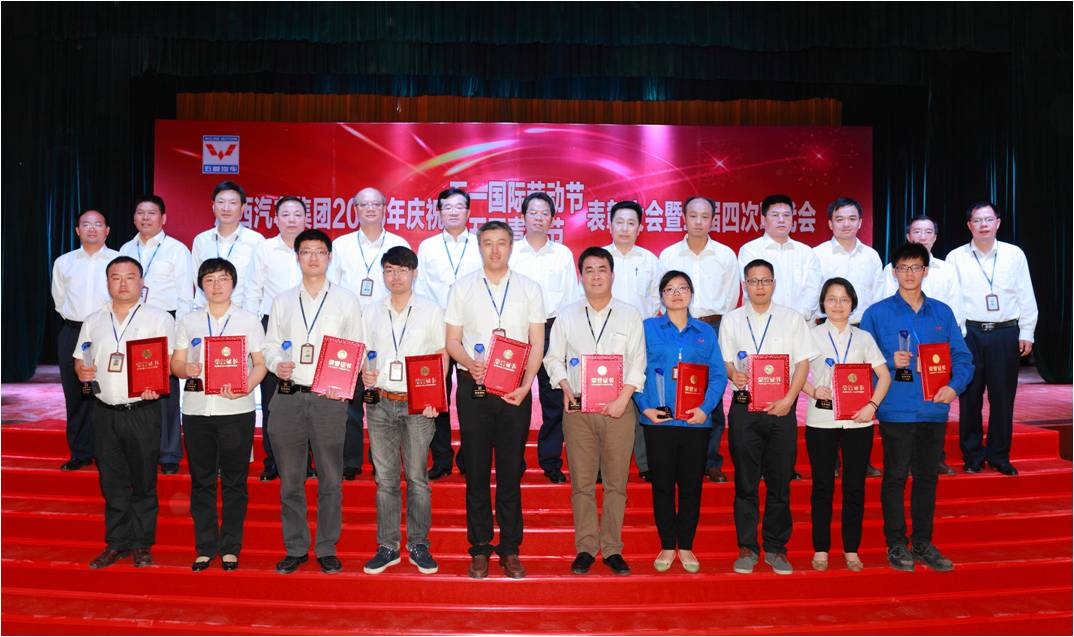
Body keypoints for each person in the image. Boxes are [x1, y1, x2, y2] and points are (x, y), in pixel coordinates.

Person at [861, 242, 973, 572]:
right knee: (895, 476)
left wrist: (954, 387)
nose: (909, 274)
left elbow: (962, 357)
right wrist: (888, 362)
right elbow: (860, 362)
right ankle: (896, 544)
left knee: (927, 478)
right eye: (903, 268)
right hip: (895, 408)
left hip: (933, 409)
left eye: (915, 267)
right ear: (893, 272)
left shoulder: (942, 312)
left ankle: (923, 542)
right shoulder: (876, 314)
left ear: (926, 271)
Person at [446, 220, 546, 579]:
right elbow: (452, 339)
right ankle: (479, 548)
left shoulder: (530, 288)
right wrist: (467, 361)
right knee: (475, 470)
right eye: (487, 243)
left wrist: (527, 385)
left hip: (514, 392)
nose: (494, 250)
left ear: (511, 246)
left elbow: (537, 342)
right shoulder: (462, 287)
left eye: (501, 242)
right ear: (479, 247)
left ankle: (510, 549)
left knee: (509, 471)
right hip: (473, 388)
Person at [262, 229, 365, 575]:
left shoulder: (346, 300)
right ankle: (295, 548)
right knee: (290, 480)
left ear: (329, 257)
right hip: (288, 395)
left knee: (330, 478)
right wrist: (277, 363)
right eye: (306, 252)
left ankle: (326, 547)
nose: (313, 258)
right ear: (298, 258)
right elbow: (270, 344)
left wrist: (344, 383)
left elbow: (356, 347)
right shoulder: (282, 301)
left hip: (328, 399)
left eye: (320, 252)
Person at [544, 246, 646, 576]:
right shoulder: (567, 315)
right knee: (582, 483)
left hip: (619, 409)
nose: (596, 276)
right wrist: (565, 386)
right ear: (581, 276)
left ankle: (612, 548)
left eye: (602, 269)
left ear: (612, 274)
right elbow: (552, 358)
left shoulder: (630, 314)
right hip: (578, 409)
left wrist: (623, 399)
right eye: (589, 270)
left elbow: (638, 362)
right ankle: (586, 547)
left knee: (616, 484)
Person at [74, 256, 176, 568]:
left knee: (144, 481)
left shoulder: (159, 318)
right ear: (107, 282)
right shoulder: (93, 320)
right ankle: (117, 543)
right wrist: (81, 371)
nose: (122, 283)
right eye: (115, 277)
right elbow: (80, 358)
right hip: (104, 412)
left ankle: (142, 544)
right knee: (112, 481)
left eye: (130, 277)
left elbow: (168, 362)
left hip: (142, 411)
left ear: (141, 282)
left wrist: (156, 383)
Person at [721, 259, 816, 575]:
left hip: (781, 409)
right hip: (744, 408)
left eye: (765, 280)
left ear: (774, 283)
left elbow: (802, 363)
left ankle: (776, 548)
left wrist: (789, 400)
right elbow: (726, 361)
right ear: (744, 285)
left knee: (780, 482)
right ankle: (747, 547)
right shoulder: (732, 320)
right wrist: (733, 373)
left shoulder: (792, 318)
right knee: (745, 482)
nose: (759, 286)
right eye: (753, 281)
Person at [171, 258, 267, 571]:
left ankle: (230, 548)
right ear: (201, 285)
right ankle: (205, 547)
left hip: (236, 410)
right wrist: (186, 368)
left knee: (235, 482)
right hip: (197, 410)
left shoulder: (248, 320)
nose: (216, 286)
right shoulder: (189, 321)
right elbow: (176, 364)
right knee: (202, 481)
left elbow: (261, 364)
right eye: (209, 280)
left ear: (233, 283)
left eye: (223, 279)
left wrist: (245, 388)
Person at [634, 270, 726, 573]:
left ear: (691, 293)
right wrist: (645, 408)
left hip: (695, 422)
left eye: (683, 288)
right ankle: (666, 545)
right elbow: (634, 370)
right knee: (662, 486)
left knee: (690, 486)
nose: (676, 294)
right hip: (659, 422)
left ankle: (685, 546)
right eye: (670, 289)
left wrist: (706, 409)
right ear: (661, 295)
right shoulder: (647, 328)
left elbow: (718, 374)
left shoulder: (705, 331)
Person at [361, 246, 445, 575]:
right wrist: (364, 373)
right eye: (389, 270)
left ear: (414, 273)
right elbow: (363, 353)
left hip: (417, 404)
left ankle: (419, 544)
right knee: (385, 480)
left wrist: (435, 398)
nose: (395, 277)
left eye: (402, 270)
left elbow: (440, 355)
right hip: (380, 402)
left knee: (417, 478)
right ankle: (388, 546)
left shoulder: (431, 311)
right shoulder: (371, 311)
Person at [801, 278, 891, 572]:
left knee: (854, 487)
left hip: (858, 422)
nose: (837, 305)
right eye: (831, 299)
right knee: (822, 486)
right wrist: (813, 390)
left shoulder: (863, 338)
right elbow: (794, 372)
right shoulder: (811, 335)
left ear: (852, 304)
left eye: (844, 299)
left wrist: (872, 406)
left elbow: (884, 376)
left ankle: (851, 549)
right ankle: (821, 549)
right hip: (821, 420)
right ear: (823, 303)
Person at [947, 201, 1038, 476]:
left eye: (988, 219)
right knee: (970, 397)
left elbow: (1025, 294)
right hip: (970, 334)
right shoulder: (956, 257)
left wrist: (1027, 331)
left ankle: (999, 455)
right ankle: (972, 455)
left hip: (1005, 333)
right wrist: (957, 337)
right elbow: (952, 300)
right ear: (969, 225)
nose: (983, 225)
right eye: (977, 220)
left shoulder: (1014, 254)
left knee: (1002, 398)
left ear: (998, 222)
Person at [328, 187, 410, 480]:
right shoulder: (341, 245)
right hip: (349, 328)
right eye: (364, 204)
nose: (371, 208)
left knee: (385, 396)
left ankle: (383, 461)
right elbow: (332, 288)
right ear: (356, 209)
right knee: (349, 398)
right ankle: (350, 460)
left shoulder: (399, 243)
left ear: (385, 208)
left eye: (376, 204)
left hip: (387, 328)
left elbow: (407, 287)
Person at [658, 196, 739, 484]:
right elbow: (661, 292)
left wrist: (719, 329)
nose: (699, 222)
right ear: (684, 218)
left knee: (712, 393)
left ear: (713, 220)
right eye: (693, 216)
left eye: (705, 217)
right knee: (675, 390)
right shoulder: (669, 255)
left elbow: (731, 297)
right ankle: (677, 456)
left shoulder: (725, 255)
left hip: (712, 328)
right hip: (676, 327)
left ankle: (711, 460)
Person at [118, 195, 194, 475]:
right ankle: (137, 450)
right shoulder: (125, 249)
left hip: (165, 323)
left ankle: (169, 452)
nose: (146, 218)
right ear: (134, 218)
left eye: (152, 213)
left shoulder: (176, 250)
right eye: (141, 213)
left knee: (165, 393)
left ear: (164, 218)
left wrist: (179, 334)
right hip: (131, 321)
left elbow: (186, 296)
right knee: (132, 388)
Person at [508, 191, 580, 484]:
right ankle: (513, 461)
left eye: (544, 213)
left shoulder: (562, 254)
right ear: (522, 217)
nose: (538, 218)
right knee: (513, 397)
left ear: (552, 219)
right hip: (517, 332)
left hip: (552, 330)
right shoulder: (511, 251)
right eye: (533, 212)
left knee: (553, 400)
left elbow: (571, 299)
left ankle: (550, 461)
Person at [882, 215, 963, 475]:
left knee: (934, 406)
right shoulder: (889, 272)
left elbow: (956, 307)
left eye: (928, 232)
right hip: (901, 350)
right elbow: (884, 309)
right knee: (896, 470)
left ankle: (935, 459)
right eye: (917, 231)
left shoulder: (946, 270)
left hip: (937, 347)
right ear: (908, 236)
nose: (922, 236)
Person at [812, 197, 886, 478]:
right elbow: (813, 292)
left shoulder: (871, 256)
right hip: (828, 329)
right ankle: (829, 460)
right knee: (827, 390)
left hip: (860, 330)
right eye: (840, 219)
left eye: (852, 218)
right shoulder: (817, 254)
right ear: (830, 223)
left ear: (860, 222)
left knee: (858, 389)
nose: (846, 224)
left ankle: (859, 460)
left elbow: (877, 294)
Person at [416, 187, 482, 480]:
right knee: (436, 394)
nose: (453, 211)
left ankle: (470, 457)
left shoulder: (480, 244)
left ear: (468, 212)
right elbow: (420, 289)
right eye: (447, 207)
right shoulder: (428, 247)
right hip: (436, 328)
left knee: (471, 395)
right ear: (439, 212)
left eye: (459, 207)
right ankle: (441, 458)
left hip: (471, 328)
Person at [243, 196, 307, 481]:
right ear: (276, 219)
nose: (292, 219)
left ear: (306, 218)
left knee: (306, 396)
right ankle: (273, 461)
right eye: (286, 214)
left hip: (308, 325)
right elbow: (252, 290)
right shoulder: (264, 248)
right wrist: (252, 330)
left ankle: (306, 462)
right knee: (272, 398)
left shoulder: (313, 247)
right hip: (272, 326)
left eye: (297, 214)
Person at [51, 209, 118, 471]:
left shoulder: (118, 260)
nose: (92, 229)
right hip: (73, 332)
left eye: (98, 224)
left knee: (106, 393)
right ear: (78, 230)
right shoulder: (64, 262)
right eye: (86, 224)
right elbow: (59, 300)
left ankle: (107, 453)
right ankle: (80, 452)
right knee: (76, 394)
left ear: (107, 230)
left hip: (106, 332)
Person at [738, 194, 823, 322]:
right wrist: (776, 320)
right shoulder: (750, 250)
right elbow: (752, 289)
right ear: (763, 219)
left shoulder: (806, 252)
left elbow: (813, 290)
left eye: (787, 215)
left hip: (801, 324)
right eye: (775, 215)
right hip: (763, 323)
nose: (782, 220)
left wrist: (795, 318)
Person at [190, 181, 265, 310]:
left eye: (232, 203)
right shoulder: (201, 240)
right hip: (207, 313)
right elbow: (197, 280)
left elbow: (260, 285)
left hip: (242, 313)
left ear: (242, 208)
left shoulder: (256, 241)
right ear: (213, 206)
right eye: (221, 202)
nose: (226, 208)